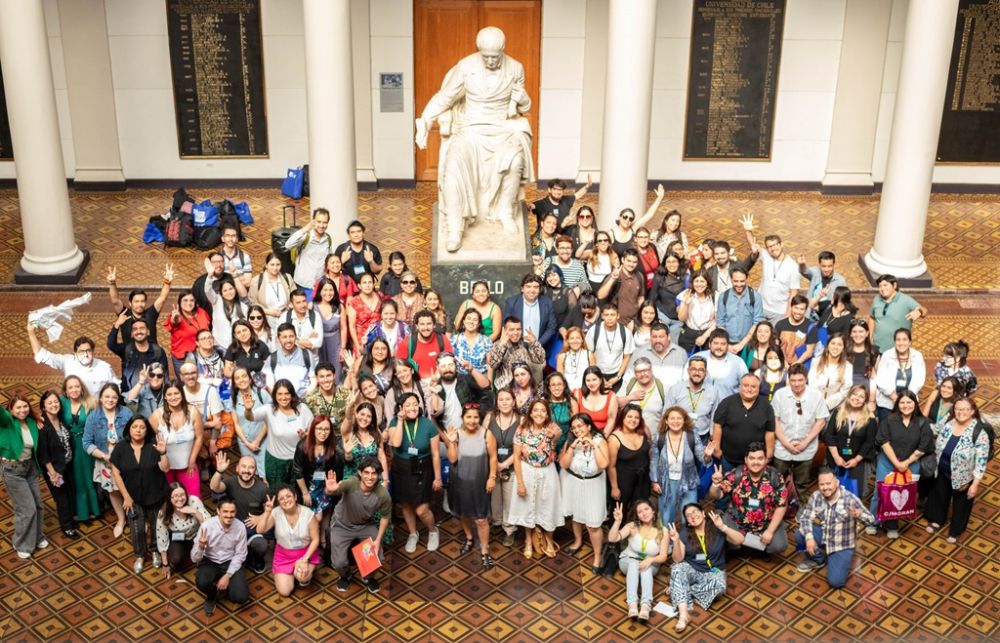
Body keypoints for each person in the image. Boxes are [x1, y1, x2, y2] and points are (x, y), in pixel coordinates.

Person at [415, 26, 533, 251]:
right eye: (486, 57)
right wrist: (425, 119)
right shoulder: (466, 67)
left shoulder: (516, 68)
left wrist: (524, 99)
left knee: (515, 160)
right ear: (479, 51)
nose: (490, 61)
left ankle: (505, 212)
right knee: (453, 166)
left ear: (503, 50)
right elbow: (445, 97)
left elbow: (523, 106)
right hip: (470, 128)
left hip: (501, 128)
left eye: (495, 57)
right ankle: (455, 227)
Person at [793, 468, 873, 589]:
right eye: (822, 484)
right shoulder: (816, 496)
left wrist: (859, 514)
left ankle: (836, 558)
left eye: (828, 483)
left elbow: (871, 519)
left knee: (836, 582)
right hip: (825, 534)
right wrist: (809, 538)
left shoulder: (849, 498)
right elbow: (805, 518)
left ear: (837, 483)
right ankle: (819, 559)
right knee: (800, 535)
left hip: (842, 543)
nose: (825, 487)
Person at [869, 391, 934, 539]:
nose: (906, 406)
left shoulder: (922, 422)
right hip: (887, 462)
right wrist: (897, 463)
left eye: (909, 402)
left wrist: (906, 463)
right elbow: (884, 442)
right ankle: (873, 521)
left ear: (915, 404)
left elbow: (924, 446)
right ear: (897, 404)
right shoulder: (888, 420)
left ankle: (892, 524)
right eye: (902, 402)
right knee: (879, 493)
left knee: (901, 492)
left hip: (911, 464)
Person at [925, 397, 990, 543]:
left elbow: (981, 461)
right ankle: (937, 520)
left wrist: (975, 485)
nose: (960, 412)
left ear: (972, 411)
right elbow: (935, 429)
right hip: (942, 470)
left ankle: (955, 530)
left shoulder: (979, 433)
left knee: (961, 504)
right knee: (940, 496)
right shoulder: (949, 422)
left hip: (963, 477)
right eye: (957, 409)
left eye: (965, 409)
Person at [667, 504, 741, 632]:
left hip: (714, 572)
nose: (692, 516)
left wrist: (722, 527)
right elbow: (678, 559)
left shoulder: (716, 526)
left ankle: (678, 587)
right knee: (677, 568)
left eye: (695, 512)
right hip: (693, 570)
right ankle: (684, 615)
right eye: (688, 516)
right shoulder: (684, 533)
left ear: (702, 513)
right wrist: (676, 541)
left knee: (720, 588)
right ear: (688, 522)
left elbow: (739, 540)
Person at [110, 416, 169, 573]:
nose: (138, 430)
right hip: (132, 497)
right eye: (135, 426)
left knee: (157, 525)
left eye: (142, 427)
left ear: (146, 430)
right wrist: (126, 497)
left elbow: (165, 468)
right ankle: (140, 555)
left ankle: (156, 550)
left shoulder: (153, 446)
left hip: (155, 494)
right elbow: (116, 473)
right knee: (137, 528)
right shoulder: (120, 448)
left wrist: (163, 453)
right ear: (129, 428)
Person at [325, 456, 392, 593]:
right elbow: (335, 490)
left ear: (378, 475)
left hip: (365, 526)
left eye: (374, 473)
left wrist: (378, 540)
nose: (370, 477)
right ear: (360, 473)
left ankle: (368, 577)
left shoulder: (383, 494)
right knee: (339, 562)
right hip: (341, 525)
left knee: (377, 557)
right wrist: (329, 489)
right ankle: (345, 576)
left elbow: (385, 517)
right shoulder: (351, 483)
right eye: (366, 473)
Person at [708, 442, 788, 555]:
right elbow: (715, 495)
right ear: (746, 460)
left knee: (779, 545)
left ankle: (756, 546)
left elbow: (782, 504)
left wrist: (770, 531)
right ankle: (737, 545)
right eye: (752, 458)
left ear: (766, 460)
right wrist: (715, 484)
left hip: (765, 524)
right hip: (737, 522)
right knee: (726, 539)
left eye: (760, 458)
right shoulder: (737, 474)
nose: (755, 462)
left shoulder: (775, 477)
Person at [444, 405, 499, 569]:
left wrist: (492, 477)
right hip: (459, 484)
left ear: (479, 419)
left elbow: (493, 457)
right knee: (463, 514)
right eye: (468, 417)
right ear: (462, 418)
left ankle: (484, 550)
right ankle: (469, 538)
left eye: (475, 417)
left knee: (481, 519)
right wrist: (452, 442)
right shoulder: (457, 435)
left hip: (479, 484)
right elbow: (453, 460)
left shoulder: (487, 435)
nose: (472, 421)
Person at [508, 400, 563, 559]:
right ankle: (528, 541)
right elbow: (517, 458)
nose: (539, 413)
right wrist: (520, 482)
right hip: (527, 471)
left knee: (548, 505)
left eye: (543, 411)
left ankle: (550, 541)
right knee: (528, 506)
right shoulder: (521, 430)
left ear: (547, 414)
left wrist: (554, 437)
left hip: (548, 472)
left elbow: (556, 437)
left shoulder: (552, 428)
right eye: (536, 410)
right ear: (530, 413)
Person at [388, 393, 442, 552]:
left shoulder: (428, 425)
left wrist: (438, 477)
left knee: (422, 509)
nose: (412, 408)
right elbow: (396, 443)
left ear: (419, 405)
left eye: (414, 404)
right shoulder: (394, 422)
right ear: (401, 408)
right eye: (407, 405)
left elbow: (436, 454)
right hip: (401, 468)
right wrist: (399, 420)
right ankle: (413, 533)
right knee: (406, 505)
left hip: (422, 468)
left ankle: (433, 531)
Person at [242, 379, 315, 490]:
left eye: (287, 393)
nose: (283, 397)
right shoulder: (269, 410)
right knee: (277, 492)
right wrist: (248, 409)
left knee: (297, 493)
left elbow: (313, 429)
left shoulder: (302, 409)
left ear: (292, 395)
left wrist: (306, 435)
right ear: (275, 395)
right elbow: (251, 417)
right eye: (279, 394)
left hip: (299, 461)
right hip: (276, 461)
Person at [771, 363, 830, 500]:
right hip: (782, 447)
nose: (796, 384)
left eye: (800, 380)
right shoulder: (780, 395)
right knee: (777, 481)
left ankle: (798, 507)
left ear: (806, 379)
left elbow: (821, 420)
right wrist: (786, 443)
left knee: (802, 483)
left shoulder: (816, 396)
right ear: (788, 379)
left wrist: (805, 442)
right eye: (793, 380)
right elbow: (775, 421)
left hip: (806, 448)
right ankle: (776, 507)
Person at [83, 383, 133, 537]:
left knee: (131, 489)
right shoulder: (93, 416)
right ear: (101, 398)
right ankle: (121, 519)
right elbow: (86, 443)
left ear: (118, 399)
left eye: (114, 397)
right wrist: (104, 456)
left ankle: (136, 520)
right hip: (105, 461)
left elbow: (135, 436)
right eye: (107, 396)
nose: (110, 400)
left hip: (127, 459)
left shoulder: (126, 413)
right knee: (113, 491)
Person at [559, 413, 608, 572]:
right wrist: (573, 447)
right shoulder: (571, 441)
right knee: (576, 515)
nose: (577, 430)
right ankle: (578, 541)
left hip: (593, 485)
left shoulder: (600, 441)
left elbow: (603, 464)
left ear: (588, 426)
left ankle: (597, 556)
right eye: (574, 428)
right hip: (574, 482)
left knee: (593, 524)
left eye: (580, 426)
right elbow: (564, 464)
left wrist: (593, 445)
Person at [0, 394, 47, 558]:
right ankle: (22, 544)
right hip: (12, 470)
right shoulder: (7, 422)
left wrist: (40, 419)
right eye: (18, 407)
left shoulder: (32, 422)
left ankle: (37, 536)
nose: (22, 410)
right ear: (11, 410)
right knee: (27, 509)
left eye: (25, 406)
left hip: (30, 467)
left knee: (38, 506)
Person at [608, 499, 670, 622]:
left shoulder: (663, 531)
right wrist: (617, 522)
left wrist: (650, 560)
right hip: (627, 560)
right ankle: (632, 604)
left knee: (645, 567)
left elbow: (663, 556)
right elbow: (612, 538)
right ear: (637, 516)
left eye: (646, 509)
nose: (644, 513)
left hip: (651, 564)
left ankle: (645, 605)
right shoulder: (632, 526)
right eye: (640, 512)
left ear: (653, 511)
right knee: (634, 563)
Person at [208, 452, 270, 573]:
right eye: (243, 466)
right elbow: (214, 487)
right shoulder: (230, 482)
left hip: (252, 528)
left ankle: (256, 558)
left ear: (255, 471)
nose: (247, 471)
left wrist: (261, 517)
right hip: (232, 526)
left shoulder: (262, 488)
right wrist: (219, 472)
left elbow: (271, 509)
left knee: (261, 545)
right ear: (237, 468)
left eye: (251, 467)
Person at [259, 484, 321, 596]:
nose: (286, 500)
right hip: (284, 555)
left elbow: (316, 540)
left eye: (288, 496)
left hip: (305, 553)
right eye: (281, 498)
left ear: (295, 497)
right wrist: (267, 512)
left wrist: (305, 559)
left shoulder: (308, 514)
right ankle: (292, 571)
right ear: (278, 502)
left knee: (303, 577)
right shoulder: (276, 512)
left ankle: (302, 572)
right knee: (285, 591)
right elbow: (260, 530)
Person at [192, 497, 250, 616]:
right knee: (201, 582)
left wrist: (228, 576)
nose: (229, 515)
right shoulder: (206, 526)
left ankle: (226, 587)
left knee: (241, 597)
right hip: (210, 561)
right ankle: (212, 596)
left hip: (231, 560)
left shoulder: (240, 527)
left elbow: (240, 554)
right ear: (218, 511)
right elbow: (194, 559)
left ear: (236, 512)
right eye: (225, 511)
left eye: (232, 512)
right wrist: (201, 547)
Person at [28, 325, 119, 400]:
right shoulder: (67, 361)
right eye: (81, 351)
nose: (85, 354)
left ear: (93, 351)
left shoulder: (105, 368)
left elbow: (117, 388)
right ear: (75, 353)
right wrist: (31, 332)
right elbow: (41, 354)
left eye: (88, 350)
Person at [149, 381, 204, 498]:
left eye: (176, 393)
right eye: (169, 394)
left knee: (194, 498)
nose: (173, 397)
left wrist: (192, 460)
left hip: (188, 466)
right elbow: (149, 439)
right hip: (166, 468)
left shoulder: (193, 412)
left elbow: (199, 437)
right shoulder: (156, 415)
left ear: (182, 394)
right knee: (171, 500)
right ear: (165, 396)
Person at [36, 391, 80, 538]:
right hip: (54, 469)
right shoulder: (43, 426)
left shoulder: (60, 419)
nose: (54, 405)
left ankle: (70, 519)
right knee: (61, 497)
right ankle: (67, 526)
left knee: (69, 493)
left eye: (56, 402)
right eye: (50, 403)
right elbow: (43, 453)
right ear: (43, 407)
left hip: (66, 464)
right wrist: (52, 473)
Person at [650, 407, 705, 523]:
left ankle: (687, 540)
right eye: (672, 418)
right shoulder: (660, 437)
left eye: (679, 418)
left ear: (684, 420)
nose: (676, 421)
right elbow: (654, 460)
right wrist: (654, 481)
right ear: (666, 421)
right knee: (666, 517)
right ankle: (667, 540)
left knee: (689, 517)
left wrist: (708, 455)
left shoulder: (692, 436)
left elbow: (703, 458)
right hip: (666, 483)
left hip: (688, 482)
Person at [822, 385, 878, 498]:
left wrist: (856, 460)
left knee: (854, 494)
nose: (857, 398)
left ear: (865, 401)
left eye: (861, 396)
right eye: (855, 394)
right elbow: (829, 436)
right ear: (849, 396)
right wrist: (836, 457)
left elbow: (869, 443)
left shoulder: (870, 419)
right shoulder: (838, 412)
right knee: (830, 491)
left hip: (857, 461)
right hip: (835, 458)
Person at [709, 375, 775, 470]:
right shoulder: (727, 403)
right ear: (740, 387)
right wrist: (717, 449)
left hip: (755, 462)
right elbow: (717, 426)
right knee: (726, 484)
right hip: (728, 460)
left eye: (753, 386)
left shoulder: (767, 406)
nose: (749, 389)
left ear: (758, 388)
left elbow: (770, 431)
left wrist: (769, 452)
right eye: (746, 385)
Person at [60, 376, 102, 523]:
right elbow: (49, 411)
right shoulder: (62, 402)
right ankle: (80, 512)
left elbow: (98, 425)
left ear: (82, 388)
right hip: (69, 445)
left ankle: (94, 510)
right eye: (70, 387)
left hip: (86, 444)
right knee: (76, 479)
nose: (74, 390)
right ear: (65, 390)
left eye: (77, 386)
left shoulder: (90, 403)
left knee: (88, 477)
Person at [105, 264, 174, 346]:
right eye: (136, 301)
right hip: (130, 356)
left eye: (142, 301)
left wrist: (167, 282)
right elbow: (115, 301)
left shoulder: (151, 314)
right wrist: (112, 284)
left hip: (152, 356)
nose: (140, 304)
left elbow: (162, 299)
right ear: (130, 303)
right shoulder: (124, 315)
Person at [486, 389, 521, 547]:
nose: (505, 402)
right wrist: (495, 466)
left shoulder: (522, 420)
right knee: (495, 498)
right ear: (497, 403)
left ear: (514, 402)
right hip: (493, 466)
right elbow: (483, 441)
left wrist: (505, 464)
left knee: (510, 500)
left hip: (512, 466)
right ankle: (497, 522)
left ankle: (509, 530)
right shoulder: (489, 418)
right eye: (501, 399)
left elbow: (523, 445)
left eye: (508, 399)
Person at [156, 483, 210, 578]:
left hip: (196, 534)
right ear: (169, 498)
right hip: (178, 537)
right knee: (175, 559)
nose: (180, 499)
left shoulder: (194, 501)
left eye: (182, 495)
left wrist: (194, 512)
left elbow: (208, 524)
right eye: (175, 496)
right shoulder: (163, 512)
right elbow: (161, 537)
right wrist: (165, 564)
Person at [292, 415, 341, 518]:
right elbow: (297, 470)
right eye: (319, 428)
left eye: (327, 429)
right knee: (314, 519)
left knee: (325, 518)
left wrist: (329, 489)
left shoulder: (333, 446)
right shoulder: (302, 446)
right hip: (308, 486)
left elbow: (336, 468)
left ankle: (323, 535)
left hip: (325, 485)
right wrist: (305, 493)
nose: (323, 433)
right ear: (313, 429)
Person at [873, 328, 926, 422]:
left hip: (909, 403)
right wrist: (894, 397)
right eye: (898, 339)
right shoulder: (887, 355)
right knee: (886, 433)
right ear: (894, 341)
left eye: (904, 339)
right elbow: (881, 379)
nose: (901, 343)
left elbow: (919, 380)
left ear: (910, 342)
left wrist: (905, 400)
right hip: (887, 402)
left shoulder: (917, 356)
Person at [607, 404, 652, 514]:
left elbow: (649, 450)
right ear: (622, 418)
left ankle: (638, 531)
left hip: (643, 480)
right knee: (619, 512)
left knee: (642, 510)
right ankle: (618, 531)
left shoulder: (644, 430)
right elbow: (611, 466)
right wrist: (614, 488)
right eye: (629, 416)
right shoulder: (614, 438)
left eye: (636, 417)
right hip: (623, 482)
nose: (633, 420)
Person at [665, 357, 720, 444]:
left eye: (701, 370)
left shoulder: (713, 392)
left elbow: (714, 416)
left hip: (702, 438)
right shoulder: (675, 389)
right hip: (678, 436)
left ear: (706, 373)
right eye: (693, 369)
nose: (697, 373)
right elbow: (666, 414)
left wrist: (712, 437)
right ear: (688, 371)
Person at [868, 274, 927, 353]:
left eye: (885, 285)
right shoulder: (877, 299)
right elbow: (872, 317)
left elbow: (925, 311)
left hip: (898, 349)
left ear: (894, 285)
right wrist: (869, 337)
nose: (882, 288)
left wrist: (919, 311)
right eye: (880, 286)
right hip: (877, 347)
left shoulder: (905, 300)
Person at [106, 316, 168, 390]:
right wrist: (117, 325)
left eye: (142, 328)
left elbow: (165, 376)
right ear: (132, 334)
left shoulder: (158, 351)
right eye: (135, 329)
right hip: (130, 396)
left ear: (148, 332)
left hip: (151, 396)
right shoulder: (126, 349)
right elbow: (111, 345)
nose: (139, 331)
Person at [503, 274, 557, 355]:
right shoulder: (511, 303)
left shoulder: (547, 303)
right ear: (522, 289)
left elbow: (551, 327)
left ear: (540, 289)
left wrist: (537, 344)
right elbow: (506, 326)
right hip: (516, 350)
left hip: (539, 349)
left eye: (536, 287)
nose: (532, 290)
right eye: (528, 286)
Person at [714, 268, 764, 355]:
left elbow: (757, 323)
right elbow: (720, 322)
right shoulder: (723, 296)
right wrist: (726, 345)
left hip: (748, 344)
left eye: (742, 281)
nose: (739, 284)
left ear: (747, 279)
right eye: (736, 281)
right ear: (731, 280)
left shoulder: (755, 296)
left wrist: (741, 345)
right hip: (727, 343)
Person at [284, 207, 333, 296]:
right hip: (302, 285)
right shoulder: (305, 236)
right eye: (319, 222)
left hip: (320, 285)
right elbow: (288, 245)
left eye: (325, 222)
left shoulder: (328, 239)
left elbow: (328, 260)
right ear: (313, 221)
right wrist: (305, 228)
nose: (322, 225)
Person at [163, 292, 211, 379]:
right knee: (186, 383)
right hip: (182, 357)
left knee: (203, 380)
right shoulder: (176, 316)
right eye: (185, 300)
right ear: (179, 303)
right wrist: (175, 318)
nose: (189, 303)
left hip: (203, 355)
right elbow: (174, 322)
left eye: (191, 300)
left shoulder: (202, 312)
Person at [586, 305, 635, 390]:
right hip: (597, 373)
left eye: (612, 315)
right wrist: (598, 376)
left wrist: (618, 377)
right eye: (606, 315)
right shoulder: (594, 331)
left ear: (618, 316)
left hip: (617, 374)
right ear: (602, 316)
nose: (609, 318)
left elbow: (627, 357)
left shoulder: (625, 333)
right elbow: (590, 355)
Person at [395, 310, 454, 380]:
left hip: (439, 381)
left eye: (429, 324)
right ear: (417, 326)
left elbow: (450, 362)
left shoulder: (442, 339)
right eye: (422, 324)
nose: (426, 328)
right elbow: (399, 366)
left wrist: (437, 376)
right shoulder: (408, 342)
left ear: (434, 325)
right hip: (416, 384)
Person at [202, 265, 249, 350]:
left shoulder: (243, 307)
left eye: (231, 289)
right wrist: (209, 275)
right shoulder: (216, 301)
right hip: (218, 346)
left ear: (235, 290)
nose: (229, 292)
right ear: (221, 293)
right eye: (225, 290)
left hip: (238, 346)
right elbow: (207, 290)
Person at [691, 329, 749, 397]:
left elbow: (747, 387)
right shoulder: (696, 359)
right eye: (716, 343)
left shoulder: (739, 363)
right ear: (709, 344)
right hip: (699, 405)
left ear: (728, 346)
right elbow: (685, 384)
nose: (719, 347)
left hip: (728, 406)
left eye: (723, 344)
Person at [263, 323, 317, 396]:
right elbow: (270, 384)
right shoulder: (272, 358)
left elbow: (313, 381)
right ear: (278, 339)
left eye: (291, 336)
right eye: (284, 337)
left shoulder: (306, 355)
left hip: (303, 400)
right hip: (281, 401)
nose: (288, 340)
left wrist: (305, 399)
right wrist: (279, 400)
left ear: (295, 337)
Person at [596, 249, 646, 327]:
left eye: (634, 262)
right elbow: (600, 295)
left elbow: (641, 297)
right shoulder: (615, 275)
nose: (631, 264)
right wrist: (613, 278)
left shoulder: (640, 276)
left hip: (634, 322)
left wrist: (637, 316)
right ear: (623, 260)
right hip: (617, 323)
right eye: (629, 261)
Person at [926, 340, 978, 413]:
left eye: (948, 357)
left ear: (958, 358)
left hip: (957, 405)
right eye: (944, 355)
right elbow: (937, 380)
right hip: (940, 401)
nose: (944, 359)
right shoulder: (939, 366)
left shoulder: (967, 373)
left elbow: (972, 389)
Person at [248, 253, 296, 330]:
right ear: (266, 265)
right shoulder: (256, 281)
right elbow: (253, 304)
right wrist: (269, 312)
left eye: (278, 264)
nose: (275, 268)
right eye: (272, 265)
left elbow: (295, 297)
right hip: (266, 319)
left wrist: (290, 305)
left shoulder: (288, 278)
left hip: (286, 316)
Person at [617, 357, 667, 432]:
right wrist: (630, 397)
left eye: (645, 370)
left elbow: (668, 415)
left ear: (651, 370)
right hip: (629, 437)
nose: (642, 374)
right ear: (635, 373)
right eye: (638, 372)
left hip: (653, 438)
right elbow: (616, 403)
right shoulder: (629, 385)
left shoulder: (662, 388)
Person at [648, 252, 689, 343]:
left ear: (679, 263)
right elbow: (652, 297)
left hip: (678, 319)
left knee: (674, 345)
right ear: (665, 264)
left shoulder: (686, 278)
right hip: (662, 315)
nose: (671, 264)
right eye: (668, 262)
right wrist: (655, 319)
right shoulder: (659, 277)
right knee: (660, 342)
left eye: (674, 262)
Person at [314, 277, 347, 382]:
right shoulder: (313, 307)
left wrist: (342, 349)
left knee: (336, 374)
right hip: (319, 345)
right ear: (320, 291)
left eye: (331, 290)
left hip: (335, 343)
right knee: (320, 373)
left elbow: (344, 328)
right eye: (325, 290)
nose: (328, 293)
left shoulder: (339, 307)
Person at [797, 252, 847, 320]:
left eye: (829, 266)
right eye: (824, 266)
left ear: (834, 265)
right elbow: (805, 271)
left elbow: (844, 302)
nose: (826, 269)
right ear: (819, 264)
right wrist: (802, 265)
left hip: (828, 319)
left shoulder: (840, 280)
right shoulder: (815, 272)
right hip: (810, 317)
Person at [773, 295, 819, 368]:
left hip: (800, 366)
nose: (798, 312)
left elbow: (809, 352)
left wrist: (796, 364)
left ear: (805, 310)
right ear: (791, 307)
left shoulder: (810, 327)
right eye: (796, 308)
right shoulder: (780, 324)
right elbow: (775, 346)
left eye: (802, 309)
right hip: (780, 364)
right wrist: (784, 363)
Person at [677, 270, 716, 353]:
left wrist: (704, 337)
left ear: (707, 283)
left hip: (707, 334)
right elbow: (681, 318)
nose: (699, 284)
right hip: (688, 335)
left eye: (702, 281)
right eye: (696, 281)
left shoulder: (714, 296)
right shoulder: (686, 294)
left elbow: (717, 321)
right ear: (692, 282)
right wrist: (685, 304)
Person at [224, 319, 270, 387]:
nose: (243, 334)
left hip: (260, 383)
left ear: (250, 330)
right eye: (239, 332)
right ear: (235, 335)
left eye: (244, 330)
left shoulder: (261, 345)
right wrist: (241, 378)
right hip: (241, 384)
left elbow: (269, 369)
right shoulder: (232, 348)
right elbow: (226, 371)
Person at [451, 308, 492, 382]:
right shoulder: (454, 339)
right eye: (468, 319)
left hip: (481, 379)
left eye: (475, 320)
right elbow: (451, 361)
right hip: (460, 380)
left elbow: (489, 364)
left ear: (479, 324)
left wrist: (490, 383)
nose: (471, 322)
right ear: (463, 321)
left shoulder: (486, 341)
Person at [575, 366, 619, 436]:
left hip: (603, 434)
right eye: (588, 380)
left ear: (601, 380)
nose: (591, 383)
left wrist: (600, 440)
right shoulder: (578, 393)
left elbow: (611, 421)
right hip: (581, 435)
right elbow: (575, 420)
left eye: (594, 379)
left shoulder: (611, 395)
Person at [847, 318, 879, 396]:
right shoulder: (844, 351)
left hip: (866, 393)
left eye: (861, 331)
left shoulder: (874, 351)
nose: (858, 335)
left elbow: (876, 378)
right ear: (850, 334)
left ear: (867, 333)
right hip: (846, 392)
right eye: (854, 332)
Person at [557, 327, 593, 392]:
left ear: (582, 340)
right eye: (572, 338)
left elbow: (593, 376)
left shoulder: (589, 355)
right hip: (567, 392)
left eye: (578, 338)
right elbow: (560, 378)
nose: (575, 341)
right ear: (567, 340)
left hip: (586, 391)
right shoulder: (561, 356)